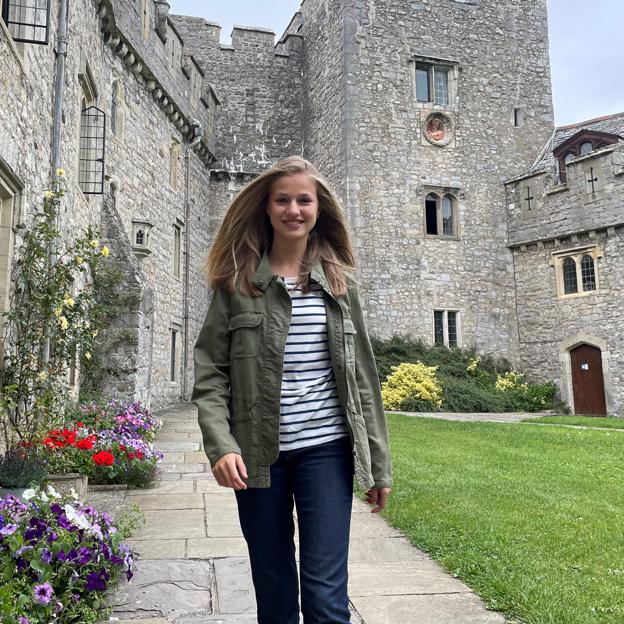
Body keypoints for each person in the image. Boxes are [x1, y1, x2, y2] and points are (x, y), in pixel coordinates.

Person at [192, 155, 392, 624]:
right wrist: (220, 445)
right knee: (275, 590)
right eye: (282, 199)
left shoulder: (340, 286)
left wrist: (378, 466)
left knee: (325, 598)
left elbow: (364, 378)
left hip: (326, 452)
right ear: (266, 207)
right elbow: (210, 374)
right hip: (258, 456)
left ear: (319, 209)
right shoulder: (236, 286)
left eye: (304, 200)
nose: (293, 209)